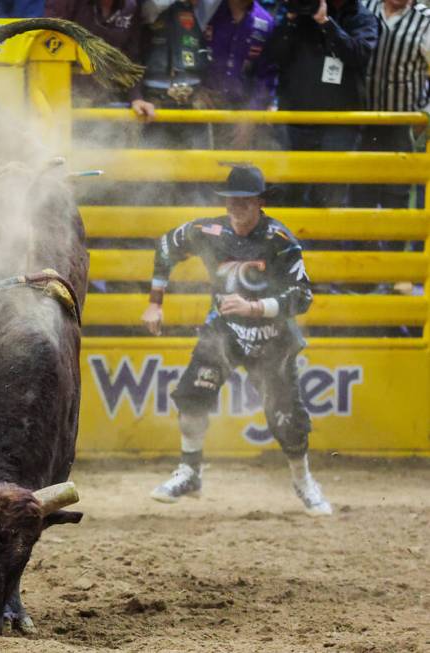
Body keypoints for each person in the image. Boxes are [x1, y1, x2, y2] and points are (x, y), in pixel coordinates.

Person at [141, 165, 332, 517]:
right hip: (224, 331)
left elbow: (303, 295)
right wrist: (155, 302)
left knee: (287, 418)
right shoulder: (207, 230)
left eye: (244, 201)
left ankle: (303, 480)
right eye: (231, 201)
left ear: (260, 202)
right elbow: (167, 246)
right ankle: (190, 471)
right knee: (192, 395)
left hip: (273, 339)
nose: (236, 207)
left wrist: (255, 307)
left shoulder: (280, 241)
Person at [264, 0, 377, 207]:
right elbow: (274, 55)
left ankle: (327, 241)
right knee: (287, 192)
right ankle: (288, 240)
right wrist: (290, 19)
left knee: (329, 196)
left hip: (339, 124)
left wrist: (325, 22)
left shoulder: (362, 18)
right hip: (295, 120)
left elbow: (358, 55)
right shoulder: (300, 13)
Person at [354, 0, 430, 213]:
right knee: (359, 193)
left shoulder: (425, 20)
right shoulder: (363, 6)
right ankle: (362, 245)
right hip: (360, 120)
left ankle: (394, 245)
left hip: (403, 124)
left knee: (396, 196)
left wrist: (425, 115)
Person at [45, 0, 154, 118]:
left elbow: (131, 57)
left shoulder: (131, 7)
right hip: (59, 100)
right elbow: (47, 48)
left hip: (103, 100)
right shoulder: (65, 3)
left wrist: (136, 98)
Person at [203, 0, 277, 147]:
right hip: (203, 107)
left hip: (241, 112)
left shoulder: (266, 23)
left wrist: (251, 115)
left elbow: (267, 77)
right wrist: (197, 88)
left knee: (237, 166)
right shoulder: (207, 12)